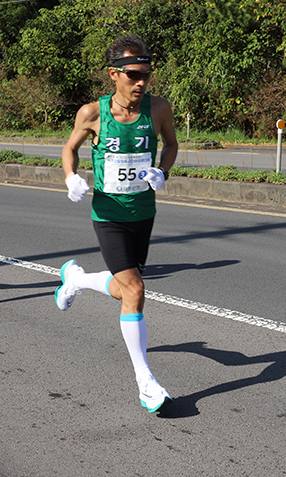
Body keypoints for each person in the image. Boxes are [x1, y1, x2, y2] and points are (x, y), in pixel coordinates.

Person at [56, 33, 179, 413]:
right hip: (108, 214)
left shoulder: (158, 109)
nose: (142, 82)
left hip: (143, 212)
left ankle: (75, 279)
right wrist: (70, 177)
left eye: (147, 74)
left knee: (126, 289)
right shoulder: (93, 113)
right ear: (114, 74)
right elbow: (69, 149)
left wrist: (162, 171)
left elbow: (171, 145)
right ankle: (146, 381)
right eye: (133, 75)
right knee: (136, 289)